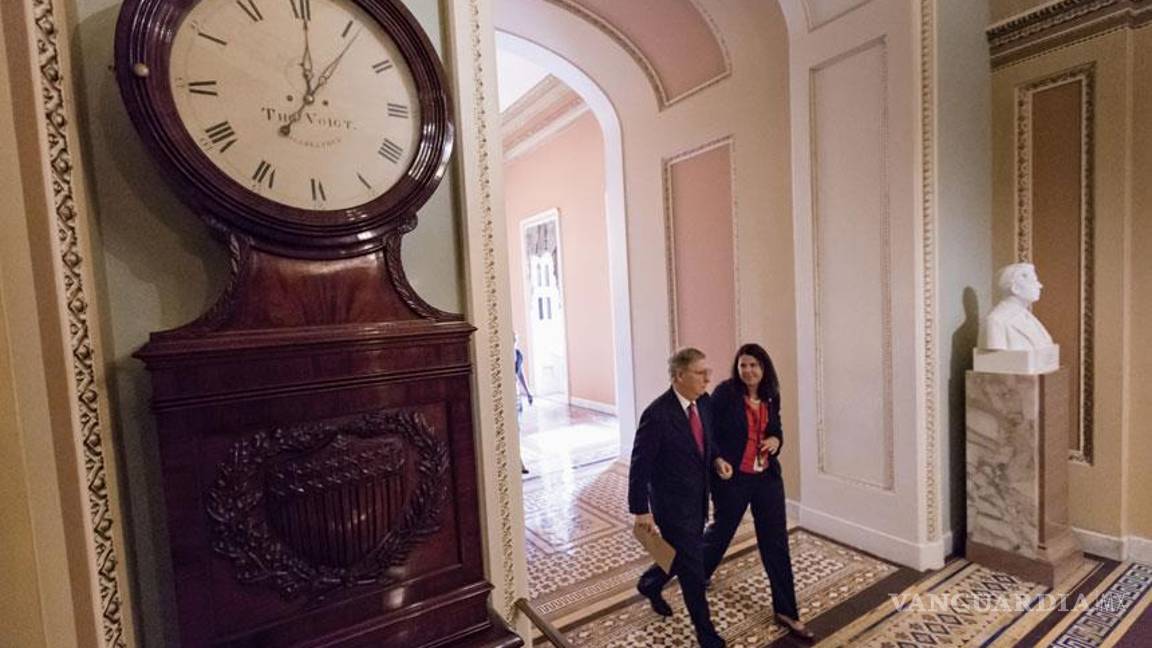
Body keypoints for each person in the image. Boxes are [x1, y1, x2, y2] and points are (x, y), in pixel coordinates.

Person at [701, 343, 813, 641]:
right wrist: (717, 459)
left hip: (766, 479)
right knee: (721, 532)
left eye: (754, 365)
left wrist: (776, 441)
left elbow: (776, 430)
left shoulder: (771, 395)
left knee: (776, 543)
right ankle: (697, 573)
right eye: (743, 365)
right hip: (733, 477)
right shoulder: (725, 394)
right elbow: (708, 432)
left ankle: (787, 611)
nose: (748, 371)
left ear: (764, 368)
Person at [628, 348, 726, 648]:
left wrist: (717, 459)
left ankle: (650, 583)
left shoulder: (703, 403)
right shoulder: (657, 415)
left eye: (708, 372)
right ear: (679, 375)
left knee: (679, 557)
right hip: (671, 507)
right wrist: (641, 510)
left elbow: (707, 441)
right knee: (693, 570)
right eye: (700, 373)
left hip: (698, 500)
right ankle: (707, 635)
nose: (707, 379)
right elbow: (640, 466)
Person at [983, 262, 1054, 351]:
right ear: (1015, 288)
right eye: (1033, 281)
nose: (1040, 286)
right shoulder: (996, 321)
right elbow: (996, 358)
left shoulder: (1028, 317)